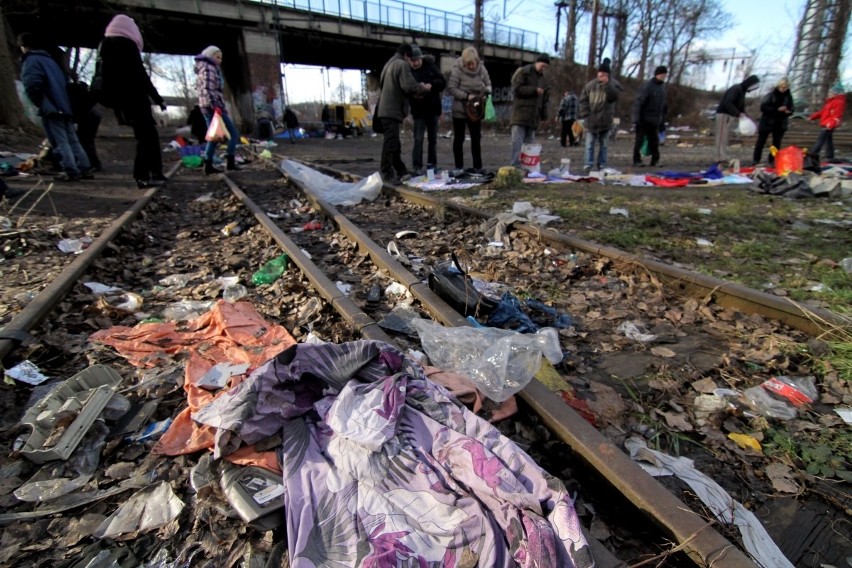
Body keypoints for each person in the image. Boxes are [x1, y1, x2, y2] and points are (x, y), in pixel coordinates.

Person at [99, 14, 168, 189]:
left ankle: (154, 173)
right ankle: (144, 175)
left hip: (120, 101)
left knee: (146, 136)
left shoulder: (104, 46)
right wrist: (157, 98)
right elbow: (141, 75)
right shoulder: (126, 46)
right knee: (147, 137)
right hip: (135, 98)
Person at [18, 33, 92, 182]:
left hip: (50, 106)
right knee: (73, 139)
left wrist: (40, 103)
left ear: (25, 46)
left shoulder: (32, 61)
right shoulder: (52, 61)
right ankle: (84, 168)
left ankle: (70, 170)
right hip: (65, 106)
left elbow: (32, 84)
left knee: (59, 141)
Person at [375, 43, 431, 185]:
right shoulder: (401, 64)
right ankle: (387, 173)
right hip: (391, 110)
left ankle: (401, 171)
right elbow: (408, 85)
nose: (411, 62)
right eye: (410, 58)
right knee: (390, 143)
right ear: (406, 55)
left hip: (385, 109)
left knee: (394, 143)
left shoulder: (389, 64)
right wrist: (423, 88)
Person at [195, 45, 241, 174]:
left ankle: (208, 164)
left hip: (208, 107)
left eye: (221, 58)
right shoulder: (209, 68)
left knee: (214, 137)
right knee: (233, 133)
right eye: (217, 57)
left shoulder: (204, 68)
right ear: (210, 56)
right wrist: (216, 106)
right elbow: (208, 89)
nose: (220, 60)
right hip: (213, 107)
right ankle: (230, 163)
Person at [446, 47, 490, 175]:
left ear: (476, 60)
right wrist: (466, 96)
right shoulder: (457, 70)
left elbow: (488, 83)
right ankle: (459, 166)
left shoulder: (482, 69)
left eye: (472, 63)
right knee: (459, 138)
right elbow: (452, 88)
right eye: (468, 64)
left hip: (475, 109)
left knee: (476, 138)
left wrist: (487, 91)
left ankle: (478, 166)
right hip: (460, 109)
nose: (470, 66)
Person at [578, 59, 620, 172]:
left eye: (604, 73)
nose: (602, 75)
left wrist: (607, 85)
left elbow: (614, 97)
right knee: (589, 144)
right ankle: (587, 164)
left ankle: (602, 165)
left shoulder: (613, 85)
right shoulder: (590, 86)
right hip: (591, 120)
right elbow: (583, 101)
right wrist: (586, 114)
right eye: (600, 73)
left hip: (606, 121)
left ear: (608, 75)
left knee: (604, 145)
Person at [510, 53, 550, 167]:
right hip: (520, 115)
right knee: (517, 143)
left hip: (533, 117)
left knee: (529, 146)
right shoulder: (524, 72)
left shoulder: (544, 80)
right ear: (537, 62)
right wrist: (534, 90)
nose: (543, 69)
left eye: (545, 67)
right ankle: (515, 166)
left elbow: (545, 99)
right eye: (542, 66)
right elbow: (517, 89)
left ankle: (527, 167)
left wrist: (544, 115)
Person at [410, 48, 446, 175]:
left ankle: (432, 165)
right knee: (418, 139)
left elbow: (442, 82)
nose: (415, 63)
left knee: (433, 139)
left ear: (421, 58)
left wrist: (431, 84)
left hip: (432, 109)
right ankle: (417, 166)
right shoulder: (408, 72)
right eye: (413, 61)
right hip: (418, 111)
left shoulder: (431, 66)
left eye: (417, 60)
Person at [713, 74, 760, 163]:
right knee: (721, 136)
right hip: (724, 114)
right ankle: (719, 158)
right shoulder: (736, 89)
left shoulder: (741, 91)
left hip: (729, 115)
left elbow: (740, 106)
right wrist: (738, 113)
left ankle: (722, 156)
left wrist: (743, 114)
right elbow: (728, 102)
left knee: (725, 136)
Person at [752, 78, 794, 166]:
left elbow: (792, 108)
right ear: (778, 87)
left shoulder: (789, 97)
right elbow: (763, 108)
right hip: (768, 121)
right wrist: (776, 109)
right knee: (761, 141)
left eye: (785, 87)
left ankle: (772, 159)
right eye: (781, 87)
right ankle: (756, 159)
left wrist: (789, 111)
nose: (783, 89)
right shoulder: (771, 95)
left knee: (776, 143)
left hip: (780, 123)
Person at [631, 65, 668, 167]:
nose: (663, 76)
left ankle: (655, 160)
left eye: (664, 74)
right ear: (657, 74)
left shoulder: (662, 88)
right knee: (639, 140)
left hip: (655, 119)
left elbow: (663, 106)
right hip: (643, 119)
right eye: (661, 74)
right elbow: (639, 102)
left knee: (654, 141)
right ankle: (636, 159)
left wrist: (662, 119)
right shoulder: (647, 86)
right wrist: (636, 118)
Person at [808, 83, 846, 162]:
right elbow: (823, 112)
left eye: (830, 92)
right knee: (828, 140)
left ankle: (813, 155)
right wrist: (813, 116)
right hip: (826, 123)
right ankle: (830, 156)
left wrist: (830, 124)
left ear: (835, 93)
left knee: (820, 140)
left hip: (828, 124)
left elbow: (837, 115)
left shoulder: (838, 102)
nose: (828, 94)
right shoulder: (830, 102)